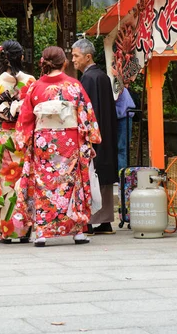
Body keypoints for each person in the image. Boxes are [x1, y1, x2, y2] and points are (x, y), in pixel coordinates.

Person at [14, 46, 101, 247]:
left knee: (44, 184)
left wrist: (24, 140)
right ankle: (77, 230)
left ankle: (42, 232)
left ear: (43, 63)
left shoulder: (35, 87)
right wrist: (89, 136)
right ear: (64, 63)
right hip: (69, 141)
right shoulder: (74, 86)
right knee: (71, 184)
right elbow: (86, 115)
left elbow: (25, 118)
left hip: (43, 143)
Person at [0, 40, 35, 243]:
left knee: (6, 184)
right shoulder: (30, 81)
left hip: (4, 140)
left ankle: (7, 232)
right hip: (23, 138)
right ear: (21, 57)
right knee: (24, 182)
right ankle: (25, 230)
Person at [72, 38, 118, 235]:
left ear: (87, 56)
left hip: (94, 134)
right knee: (104, 176)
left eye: (76, 56)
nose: (73, 60)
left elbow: (88, 112)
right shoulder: (102, 77)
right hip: (107, 132)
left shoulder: (89, 79)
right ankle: (106, 221)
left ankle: (89, 221)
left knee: (92, 175)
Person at [116, 86, 136, 172]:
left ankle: (121, 177)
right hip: (120, 114)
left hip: (123, 115)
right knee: (121, 149)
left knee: (121, 148)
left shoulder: (116, 81)